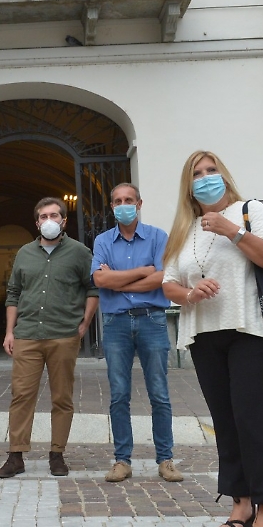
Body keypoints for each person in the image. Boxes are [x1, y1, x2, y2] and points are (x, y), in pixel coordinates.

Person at [161, 151, 263, 527]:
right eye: (197, 174)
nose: (205, 178)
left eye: (210, 171)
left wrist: (231, 230)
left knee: (251, 419)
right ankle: (241, 501)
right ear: (189, 185)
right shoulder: (183, 228)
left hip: (248, 329)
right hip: (204, 334)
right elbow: (168, 283)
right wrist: (190, 293)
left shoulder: (250, 211)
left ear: (224, 175)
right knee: (225, 421)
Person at [0, 197, 99, 479]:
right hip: (28, 334)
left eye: (54, 215)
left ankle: (57, 454)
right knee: (21, 396)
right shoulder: (24, 253)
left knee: (62, 398)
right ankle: (16, 454)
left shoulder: (80, 252)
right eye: (43, 216)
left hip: (63, 334)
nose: (49, 220)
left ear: (64, 221)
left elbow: (92, 288)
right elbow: (14, 293)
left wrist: (84, 323)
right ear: (37, 222)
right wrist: (9, 330)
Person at [91, 183, 182, 484]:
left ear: (139, 203)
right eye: (117, 200)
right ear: (112, 206)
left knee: (159, 394)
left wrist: (118, 282)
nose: (123, 204)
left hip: (151, 321)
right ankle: (122, 460)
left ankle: (166, 459)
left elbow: (162, 276)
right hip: (115, 323)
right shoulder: (103, 240)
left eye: (128, 200)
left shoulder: (158, 237)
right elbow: (99, 279)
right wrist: (142, 273)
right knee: (118, 395)